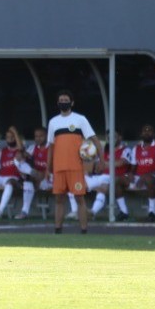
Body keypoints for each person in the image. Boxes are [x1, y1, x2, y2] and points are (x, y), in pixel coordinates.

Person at [46, 89, 103, 234]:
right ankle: (57, 229)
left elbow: (95, 141)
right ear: (57, 103)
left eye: (66, 100)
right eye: (61, 100)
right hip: (58, 168)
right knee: (59, 199)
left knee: (79, 198)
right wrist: (48, 168)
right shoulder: (53, 122)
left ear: (72, 103)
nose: (63, 103)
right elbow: (51, 148)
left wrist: (102, 160)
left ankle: (84, 230)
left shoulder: (80, 119)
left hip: (76, 167)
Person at [128, 124, 155, 222]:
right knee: (119, 179)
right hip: (139, 179)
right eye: (144, 131)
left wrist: (145, 176)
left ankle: (152, 212)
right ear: (141, 134)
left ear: (153, 134)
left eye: (149, 130)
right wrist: (131, 174)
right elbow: (133, 168)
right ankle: (123, 212)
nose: (147, 132)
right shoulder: (136, 148)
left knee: (149, 179)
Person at [87, 137, 131, 221]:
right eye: (109, 137)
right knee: (78, 182)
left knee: (103, 187)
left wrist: (105, 164)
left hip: (115, 176)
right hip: (101, 176)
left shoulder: (125, 149)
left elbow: (120, 163)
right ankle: (75, 211)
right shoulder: (104, 150)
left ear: (120, 137)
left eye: (115, 135)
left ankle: (92, 212)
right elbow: (97, 166)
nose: (112, 138)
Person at [0, 126, 33, 219]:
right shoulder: (3, 151)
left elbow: (21, 148)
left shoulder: (20, 151)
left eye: (12, 137)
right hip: (1, 177)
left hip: (14, 178)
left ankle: (0, 211)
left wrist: (15, 133)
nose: (10, 139)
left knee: (9, 183)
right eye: (8, 137)